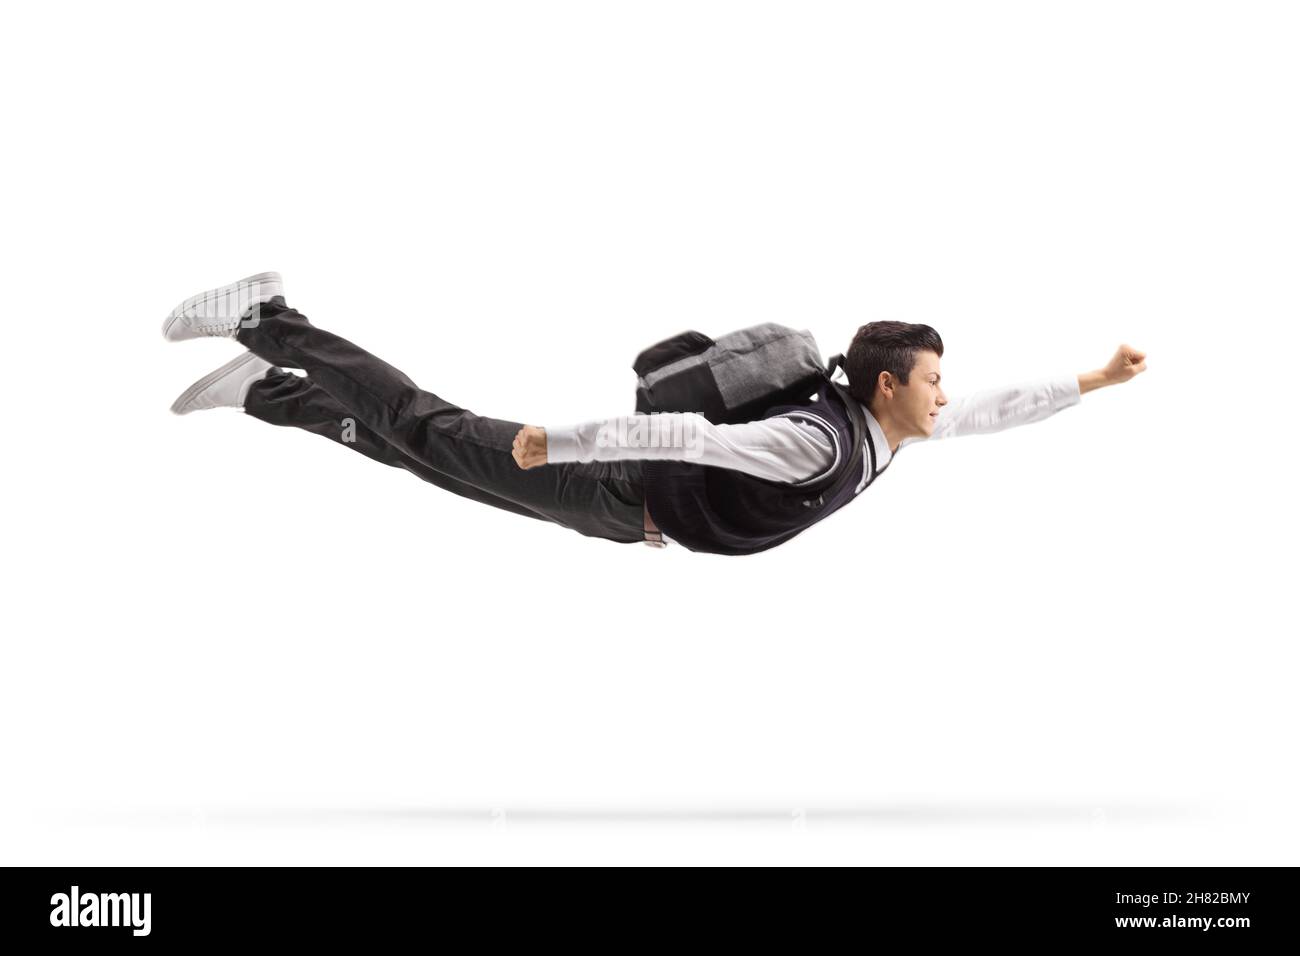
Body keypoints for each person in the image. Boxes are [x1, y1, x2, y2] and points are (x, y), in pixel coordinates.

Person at [164, 272, 1147, 555]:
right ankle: (271, 320)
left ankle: (265, 389)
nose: (945, 392)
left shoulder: (882, 435)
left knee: (425, 455)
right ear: (887, 381)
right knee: (423, 426)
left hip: (628, 506)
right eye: (932, 376)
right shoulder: (819, 441)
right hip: (608, 479)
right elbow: (691, 435)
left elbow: (992, 410)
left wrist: (1094, 381)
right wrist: (567, 440)